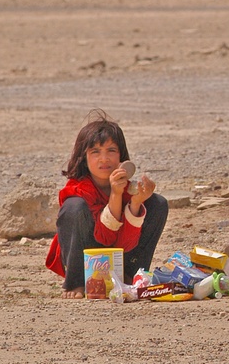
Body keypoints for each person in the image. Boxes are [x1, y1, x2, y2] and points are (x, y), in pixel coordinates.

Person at [45, 110, 168, 298]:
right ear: (84, 158)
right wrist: (115, 196)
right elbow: (104, 237)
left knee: (157, 203)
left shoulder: (129, 189)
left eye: (111, 150)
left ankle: (131, 275)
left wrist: (135, 204)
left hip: (121, 251)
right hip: (86, 252)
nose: (104, 159)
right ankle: (76, 283)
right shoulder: (78, 189)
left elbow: (123, 243)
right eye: (95, 152)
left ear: (121, 157)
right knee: (74, 208)